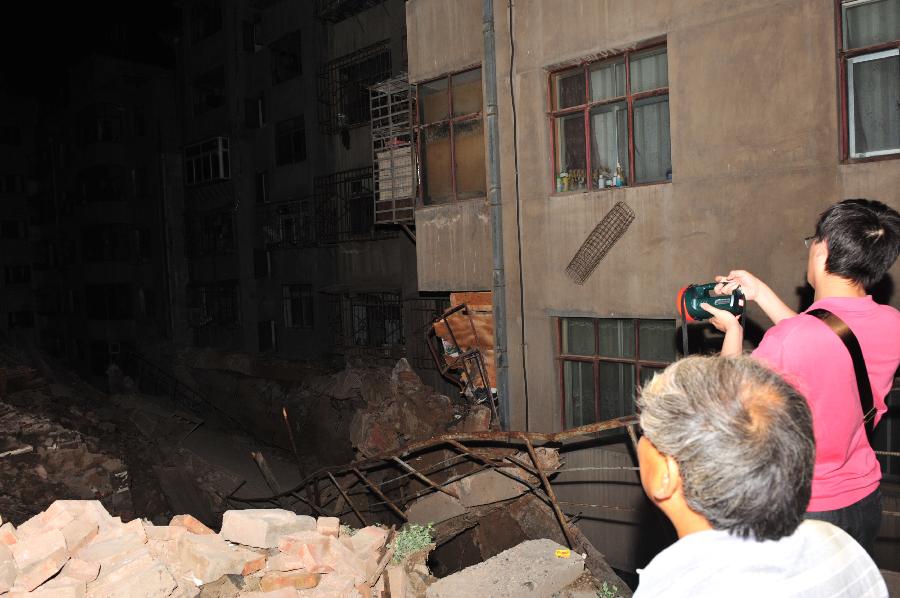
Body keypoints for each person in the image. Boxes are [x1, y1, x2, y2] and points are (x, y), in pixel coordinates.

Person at [701, 198, 900, 552]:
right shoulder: (891, 323)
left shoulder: (789, 340)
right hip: (864, 498)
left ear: (822, 253)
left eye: (813, 241)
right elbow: (829, 336)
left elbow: (725, 402)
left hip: (807, 511)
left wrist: (732, 330)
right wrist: (759, 292)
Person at [633, 355, 887, 597]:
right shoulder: (839, 546)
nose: (642, 439)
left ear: (665, 476)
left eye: (647, 431)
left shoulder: (676, 587)